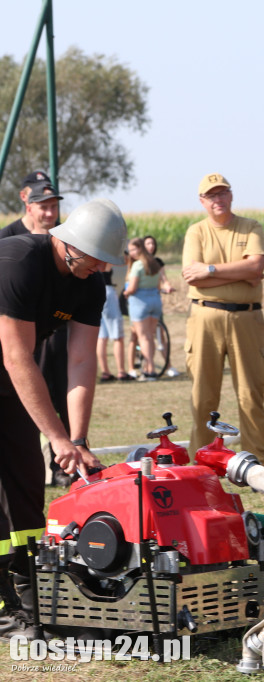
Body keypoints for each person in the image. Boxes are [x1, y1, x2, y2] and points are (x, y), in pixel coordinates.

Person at [0, 198, 126, 640]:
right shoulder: (20, 262)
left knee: (26, 485)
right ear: (70, 244)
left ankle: (32, 597)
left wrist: (78, 438)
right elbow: (17, 356)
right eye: (96, 259)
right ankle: (2, 610)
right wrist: (55, 436)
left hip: (11, 379)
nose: (101, 269)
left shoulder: (89, 283)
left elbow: (79, 362)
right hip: (10, 365)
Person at [181, 173, 264, 467]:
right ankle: (201, 463)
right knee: (204, 397)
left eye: (222, 193)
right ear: (202, 201)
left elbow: (257, 265)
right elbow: (192, 280)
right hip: (204, 318)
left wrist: (209, 271)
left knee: (250, 394)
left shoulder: (251, 227)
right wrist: (241, 271)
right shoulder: (195, 232)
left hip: (246, 318)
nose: (217, 200)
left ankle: (258, 462)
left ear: (231, 196)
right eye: (211, 196)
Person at [0, 171, 72, 487]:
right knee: (26, 397)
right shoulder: (8, 240)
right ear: (26, 202)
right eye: (42, 205)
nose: (49, 212)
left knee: (63, 390)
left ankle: (64, 464)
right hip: (17, 337)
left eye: (53, 206)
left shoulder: (66, 241)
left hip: (55, 331)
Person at [139, 235, 181, 378]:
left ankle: (168, 366)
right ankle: (142, 366)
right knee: (141, 336)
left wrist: (167, 287)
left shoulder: (158, 262)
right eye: (147, 243)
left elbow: (164, 280)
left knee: (159, 335)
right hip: (140, 304)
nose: (150, 246)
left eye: (152, 243)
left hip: (155, 303)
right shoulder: (138, 262)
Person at [124, 237, 163, 381]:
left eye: (133, 249)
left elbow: (133, 288)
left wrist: (125, 293)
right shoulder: (154, 263)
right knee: (150, 337)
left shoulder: (137, 266)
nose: (131, 252)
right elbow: (159, 285)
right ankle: (148, 367)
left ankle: (150, 370)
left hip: (140, 302)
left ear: (140, 248)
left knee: (143, 337)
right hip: (155, 299)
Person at [96, 259, 131, 382]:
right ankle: (121, 371)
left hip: (96, 292)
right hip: (108, 293)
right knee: (117, 336)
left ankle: (105, 372)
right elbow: (121, 261)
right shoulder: (104, 258)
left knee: (102, 336)